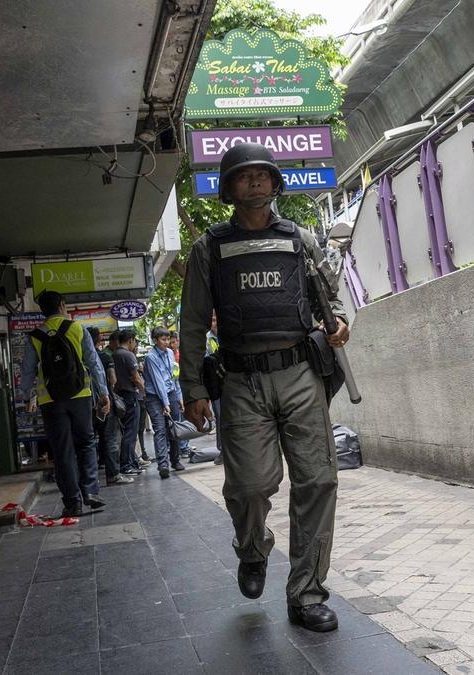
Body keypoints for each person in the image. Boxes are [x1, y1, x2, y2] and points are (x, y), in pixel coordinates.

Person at [179, 142, 350, 633]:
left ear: (275, 184)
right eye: (243, 176)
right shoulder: (208, 248)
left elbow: (329, 301)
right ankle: (252, 551)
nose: (253, 181)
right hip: (240, 381)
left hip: (300, 373)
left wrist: (337, 322)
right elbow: (191, 325)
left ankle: (306, 594)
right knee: (250, 487)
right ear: (228, 189)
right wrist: (192, 389)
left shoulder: (301, 239)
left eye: (262, 174)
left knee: (317, 482)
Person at [21, 290, 110, 517]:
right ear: (62, 305)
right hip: (80, 395)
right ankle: (90, 491)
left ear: (42, 310)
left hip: (50, 399)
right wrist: (103, 393)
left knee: (62, 450)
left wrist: (26, 397)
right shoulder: (77, 329)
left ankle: (72, 502)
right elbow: (94, 363)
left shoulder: (34, 336)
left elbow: (27, 370)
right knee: (86, 442)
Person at [88, 327, 130, 485]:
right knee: (110, 438)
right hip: (105, 402)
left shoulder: (81, 358)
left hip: (85, 404)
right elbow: (112, 379)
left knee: (88, 441)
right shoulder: (104, 357)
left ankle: (90, 478)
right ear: (98, 340)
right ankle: (113, 475)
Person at [142, 326, 184, 478]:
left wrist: (179, 397)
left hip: (171, 393)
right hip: (155, 397)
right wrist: (165, 403)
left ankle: (175, 460)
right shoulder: (151, 357)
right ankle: (163, 465)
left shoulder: (171, 353)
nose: (167, 342)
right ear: (155, 340)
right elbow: (158, 381)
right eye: (163, 339)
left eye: (168, 339)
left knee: (174, 428)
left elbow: (174, 375)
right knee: (160, 429)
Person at [111, 329, 144, 477]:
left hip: (120, 397)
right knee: (131, 433)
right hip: (130, 396)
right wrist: (145, 391)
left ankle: (131, 462)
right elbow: (136, 378)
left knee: (126, 432)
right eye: (135, 341)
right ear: (130, 340)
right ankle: (127, 465)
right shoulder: (128, 355)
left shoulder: (115, 354)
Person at [205, 313, 224, 466]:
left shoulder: (227, 334)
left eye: (217, 319)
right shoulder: (207, 339)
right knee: (220, 417)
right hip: (216, 383)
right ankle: (223, 450)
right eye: (212, 320)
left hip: (230, 381)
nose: (215, 322)